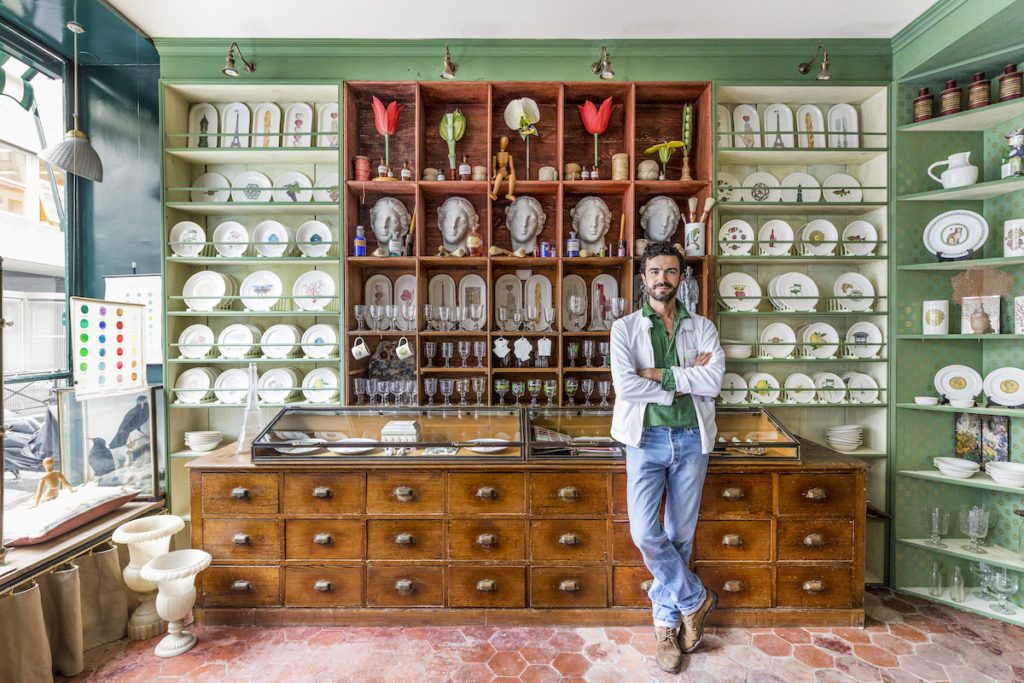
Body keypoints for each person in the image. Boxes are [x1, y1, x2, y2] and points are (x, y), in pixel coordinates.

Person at [609, 239, 725, 673]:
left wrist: (658, 373)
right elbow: (627, 387)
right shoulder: (624, 329)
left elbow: (712, 382)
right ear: (644, 279)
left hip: (692, 438)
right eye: (655, 272)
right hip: (646, 438)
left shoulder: (703, 327)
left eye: (671, 272)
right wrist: (686, 375)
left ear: (682, 277)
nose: (663, 279)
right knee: (644, 532)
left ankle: (667, 629)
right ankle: (695, 599)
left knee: (679, 536)